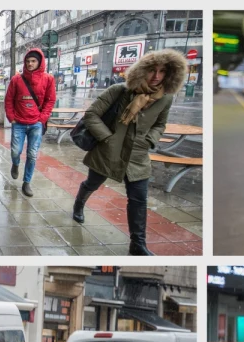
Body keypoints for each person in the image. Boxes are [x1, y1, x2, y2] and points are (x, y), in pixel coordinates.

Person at [74, 49, 188, 255]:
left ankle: (138, 244)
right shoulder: (120, 90)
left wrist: (150, 140)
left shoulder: (165, 99)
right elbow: (91, 115)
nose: (156, 76)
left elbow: (160, 124)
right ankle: (79, 204)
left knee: (138, 199)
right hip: (109, 151)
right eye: (152, 70)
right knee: (92, 183)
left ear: (170, 74)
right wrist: (106, 138)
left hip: (137, 155)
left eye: (162, 71)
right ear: (141, 70)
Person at [4, 49, 56, 198]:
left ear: (39, 62)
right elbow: (8, 100)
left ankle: (27, 182)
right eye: (27, 61)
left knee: (32, 154)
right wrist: (11, 117)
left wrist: (42, 118)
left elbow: (50, 100)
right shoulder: (16, 79)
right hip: (19, 122)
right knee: (15, 151)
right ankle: (15, 164)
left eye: (33, 61)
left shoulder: (48, 79)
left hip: (36, 124)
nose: (30, 64)